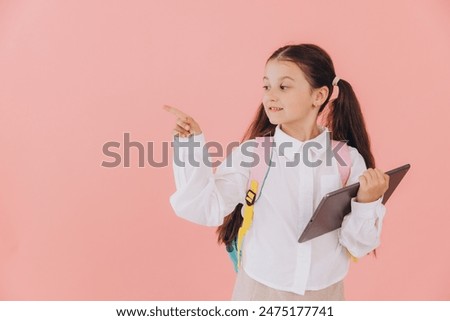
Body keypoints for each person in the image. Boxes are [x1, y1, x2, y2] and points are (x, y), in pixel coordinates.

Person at [163, 44, 389, 300]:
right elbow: (207, 206)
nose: (270, 96)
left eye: (283, 87)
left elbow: (357, 244)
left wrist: (367, 203)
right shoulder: (253, 154)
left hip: (325, 293)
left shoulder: (347, 160)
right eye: (266, 86)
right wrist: (190, 146)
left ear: (318, 96)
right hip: (260, 291)